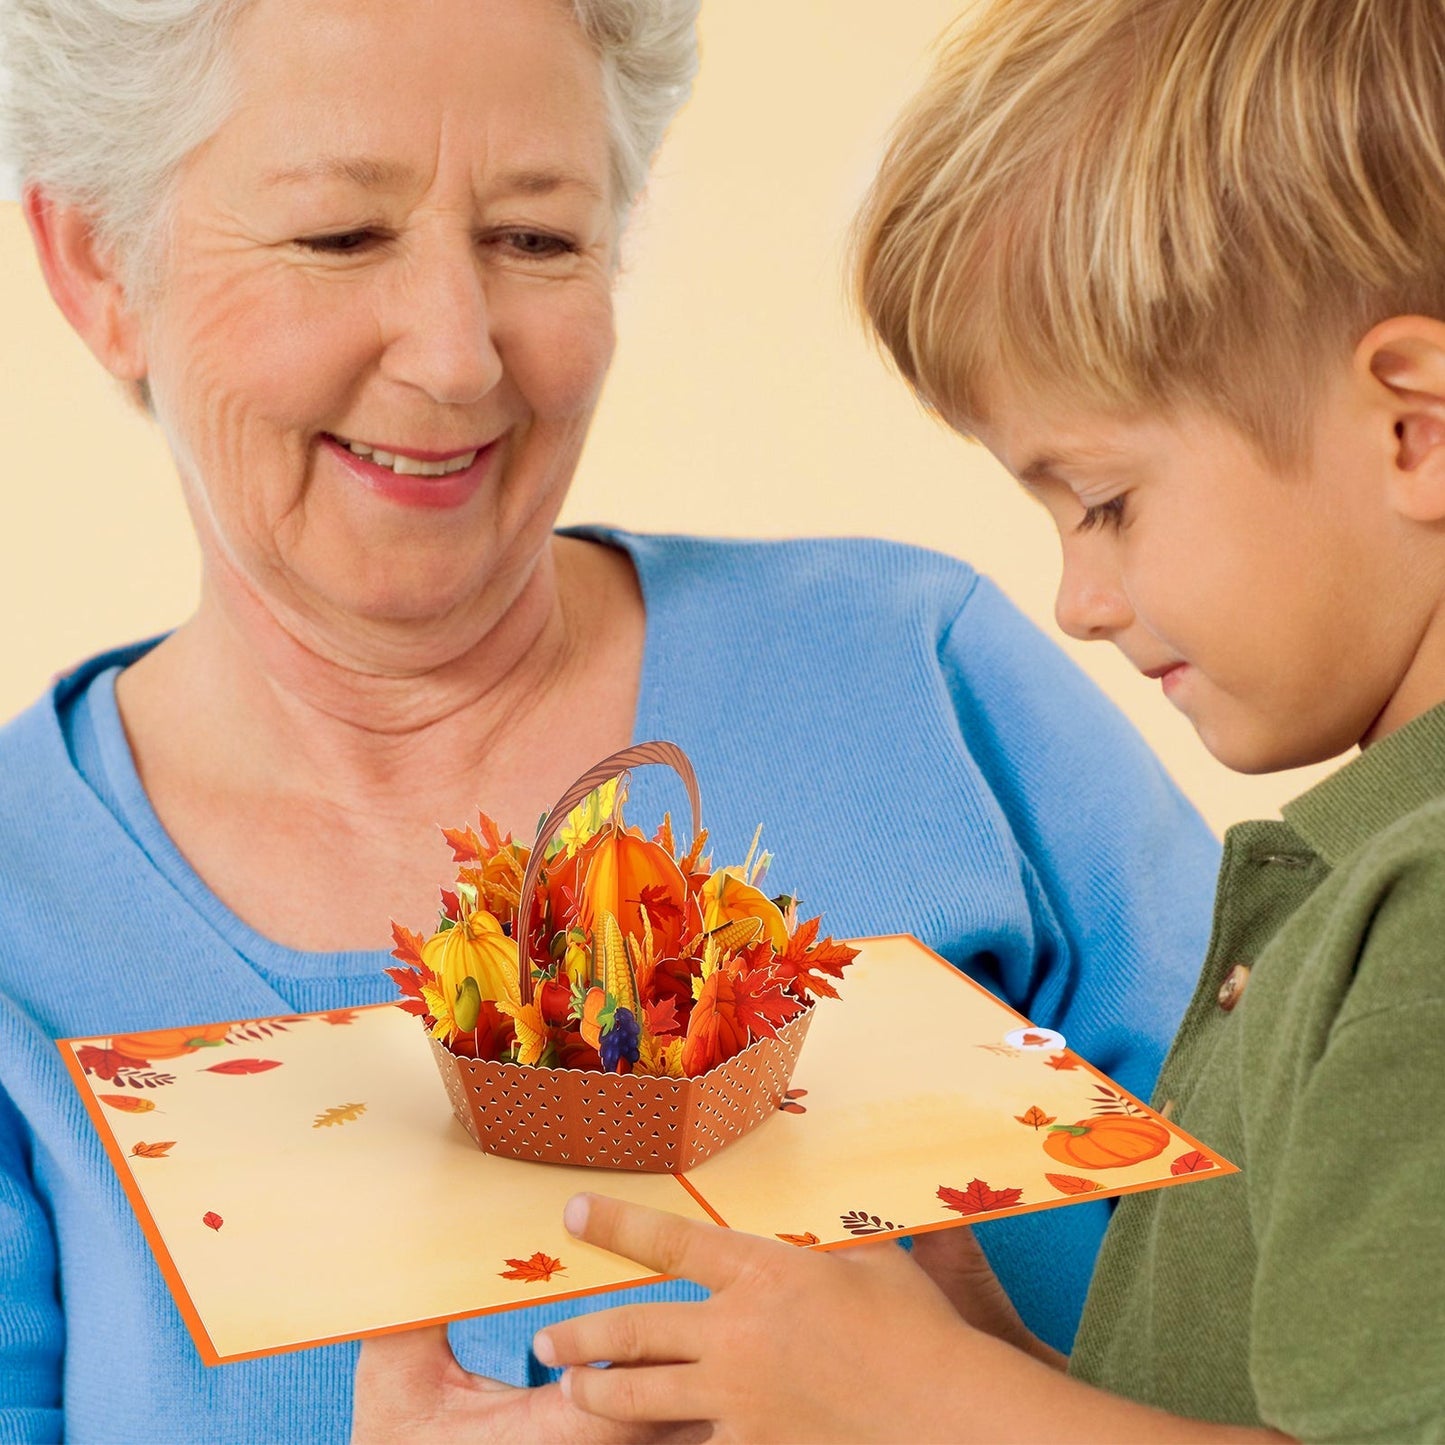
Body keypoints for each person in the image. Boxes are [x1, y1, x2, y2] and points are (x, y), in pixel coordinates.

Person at [0, 0, 1220, 1441]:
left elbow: (1363, 1337)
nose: (458, 356)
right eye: (340, 236)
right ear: (96, 266)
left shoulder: (927, 686)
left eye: (536, 238)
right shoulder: (28, 914)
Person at [528, 0, 1445, 1440]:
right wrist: (999, 1372)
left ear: (1412, 427)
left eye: (1105, 502)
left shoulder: (1426, 908)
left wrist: (926, 1404)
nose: (1075, 598)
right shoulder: (1359, 884)